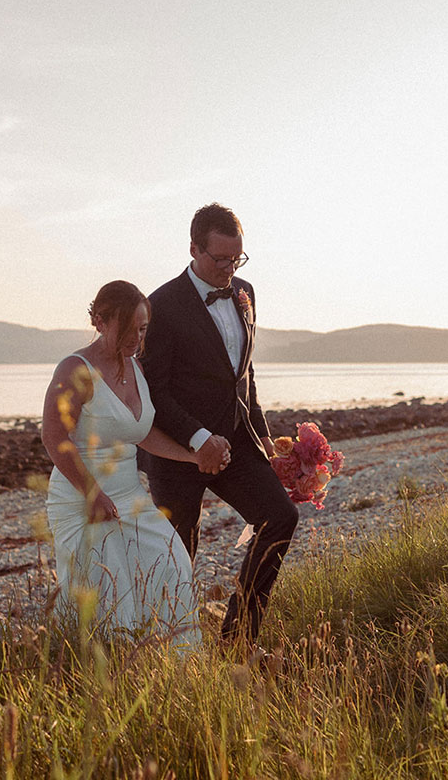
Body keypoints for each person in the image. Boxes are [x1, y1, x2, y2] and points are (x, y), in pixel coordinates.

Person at [140, 203, 299, 651]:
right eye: (220, 259)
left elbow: (243, 375)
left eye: (237, 259)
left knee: (281, 517)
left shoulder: (245, 292)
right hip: (177, 452)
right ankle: (166, 652)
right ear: (193, 249)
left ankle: (238, 636)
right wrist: (197, 440)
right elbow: (155, 392)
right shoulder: (161, 306)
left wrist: (264, 435)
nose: (230, 269)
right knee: (178, 557)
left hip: (236, 442)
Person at [42, 280, 223, 650]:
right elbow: (54, 438)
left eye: (142, 329)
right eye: (127, 330)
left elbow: (141, 434)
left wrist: (191, 456)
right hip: (82, 496)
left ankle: (174, 664)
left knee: (173, 560)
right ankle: (95, 668)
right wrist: (93, 493)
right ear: (99, 321)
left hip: (129, 493)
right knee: (108, 591)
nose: (136, 340)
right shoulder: (75, 370)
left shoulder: (135, 367)